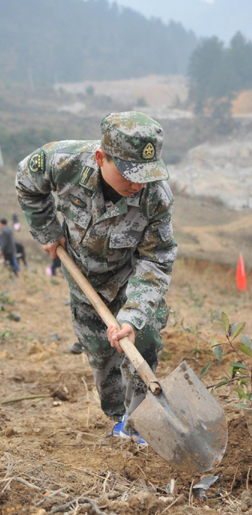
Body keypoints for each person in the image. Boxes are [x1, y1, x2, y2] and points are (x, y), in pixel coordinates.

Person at [16, 111, 178, 444]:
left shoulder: (155, 198)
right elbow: (27, 183)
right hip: (82, 278)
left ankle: (140, 425)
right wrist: (46, 229)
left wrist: (132, 317)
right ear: (101, 157)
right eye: (130, 173)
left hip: (129, 280)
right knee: (101, 357)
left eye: (146, 174)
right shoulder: (63, 162)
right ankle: (119, 418)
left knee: (141, 342)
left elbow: (156, 260)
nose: (137, 184)